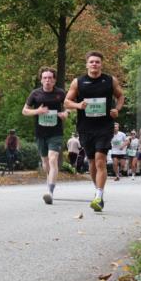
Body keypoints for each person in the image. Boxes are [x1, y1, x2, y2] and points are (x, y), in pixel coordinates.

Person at [65, 51, 125, 212]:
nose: (94, 64)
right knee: (91, 162)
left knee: (100, 160)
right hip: (85, 127)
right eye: (91, 62)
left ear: (101, 64)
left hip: (105, 126)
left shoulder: (110, 80)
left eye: (97, 62)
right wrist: (78, 106)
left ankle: (98, 196)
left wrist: (116, 109)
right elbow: (66, 102)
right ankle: (98, 191)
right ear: (87, 64)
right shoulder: (78, 82)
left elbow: (120, 96)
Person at [22, 67, 68, 204]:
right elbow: (24, 111)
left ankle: (50, 192)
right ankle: (49, 182)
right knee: (45, 162)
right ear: (41, 80)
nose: (47, 80)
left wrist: (66, 113)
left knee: (53, 159)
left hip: (56, 132)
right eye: (45, 78)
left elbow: (68, 107)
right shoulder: (35, 94)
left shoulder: (60, 93)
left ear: (54, 80)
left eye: (50, 78)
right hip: (40, 133)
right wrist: (38, 111)